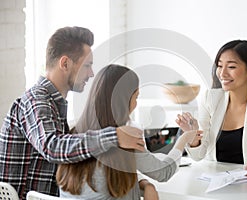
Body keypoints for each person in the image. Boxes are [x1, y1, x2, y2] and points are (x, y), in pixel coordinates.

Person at [0, 27, 145, 200]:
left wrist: (142, 183)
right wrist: (114, 136)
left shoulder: (54, 104)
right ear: (65, 63)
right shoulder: (35, 101)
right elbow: (52, 147)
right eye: (87, 66)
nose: (91, 74)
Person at [56, 64, 199, 200]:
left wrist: (145, 184)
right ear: (123, 101)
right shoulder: (124, 138)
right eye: (136, 97)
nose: (136, 104)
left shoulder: (73, 135)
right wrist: (184, 138)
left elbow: (102, 184)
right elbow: (163, 172)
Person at [176, 40, 247, 180]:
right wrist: (193, 136)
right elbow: (198, 156)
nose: (223, 73)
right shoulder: (210, 98)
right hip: (214, 181)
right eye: (220, 66)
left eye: (231, 66)